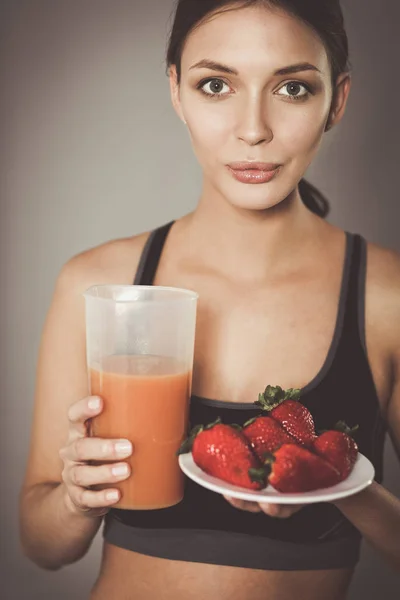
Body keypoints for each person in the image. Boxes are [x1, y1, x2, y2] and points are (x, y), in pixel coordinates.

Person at [19, 1, 400, 599]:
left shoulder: (387, 297)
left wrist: (345, 486)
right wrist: (76, 498)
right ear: (176, 91)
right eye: (216, 84)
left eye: (293, 88)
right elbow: (42, 546)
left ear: (337, 100)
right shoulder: (98, 283)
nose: (253, 129)